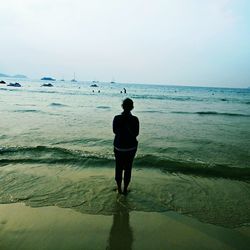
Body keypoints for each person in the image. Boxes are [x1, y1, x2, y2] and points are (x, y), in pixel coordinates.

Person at [113, 98, 139, 194]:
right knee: (128, 168)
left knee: (118, 167)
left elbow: (115, 131)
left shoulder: (117, 118)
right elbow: (136, 134)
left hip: (119, 147)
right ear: (132, 107)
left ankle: (119, 189)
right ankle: (125, 190)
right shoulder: (135, 119)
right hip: (131, 148)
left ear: (122, 106)